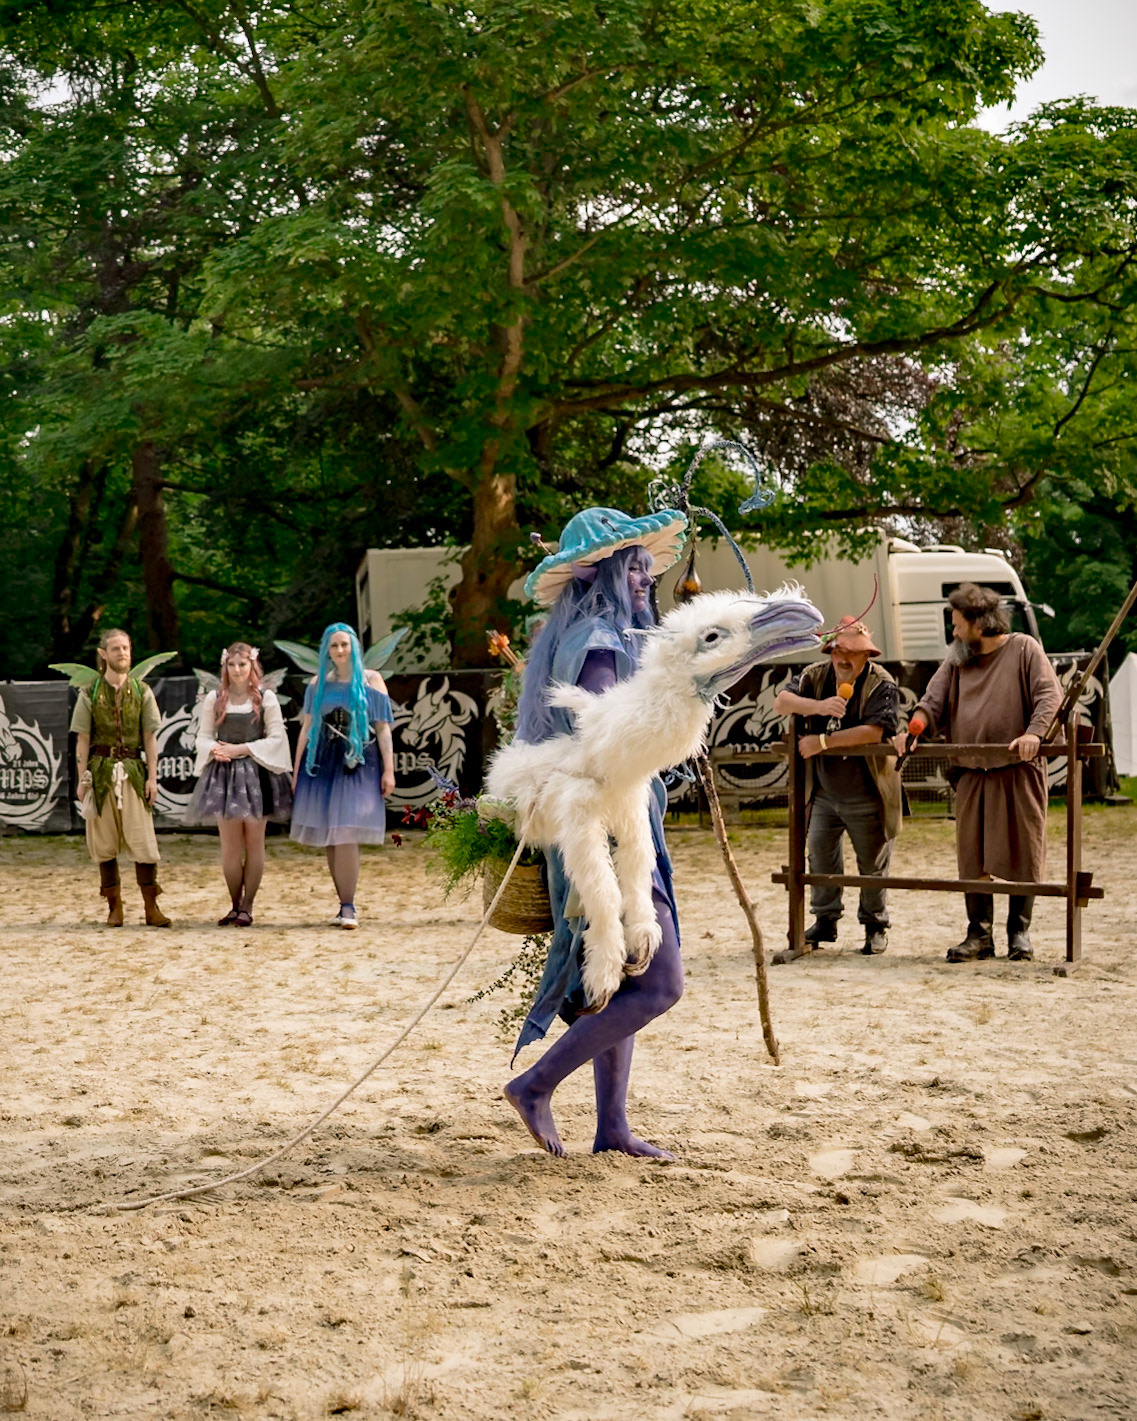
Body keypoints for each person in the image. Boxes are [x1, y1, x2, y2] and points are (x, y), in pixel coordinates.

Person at [503, 505, 689, 1158]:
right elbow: (605, 740)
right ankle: (534, 1084)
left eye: (644, 565)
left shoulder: (577, 631)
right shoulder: (600, 636)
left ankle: (611, 1126)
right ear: (606, 571)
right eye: (632, 565)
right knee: (661, 980)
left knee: (623, 982)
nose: (643, 576)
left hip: (600, 820)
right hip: (609, 831)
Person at [896, 583, 1063, 963]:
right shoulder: (958, 658)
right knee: (973, 858)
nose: (953, 632)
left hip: (1016, 771)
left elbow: (1049, 697)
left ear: (979, 622)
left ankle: (1018, 933)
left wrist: (1034, 733)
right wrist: (915, 728)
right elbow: (931, 701)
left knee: (1023, 851)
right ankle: (979, 936)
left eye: (957, 624)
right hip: (971, 772)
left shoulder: (1023, 648)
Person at [772, 615, 901, 959]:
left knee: (873, 862)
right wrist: (819, 707)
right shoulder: (815, 675)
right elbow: (781, 702)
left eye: (852, 653)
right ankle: (825, 921)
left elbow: (875, 731)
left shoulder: (882, 684)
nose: (843, 659)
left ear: (866, 656)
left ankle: (875, 926)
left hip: (868, 792)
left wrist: (823, 742)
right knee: (819, 853)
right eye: (837, 652)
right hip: (825, 791)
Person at [290, 623, 395, 928]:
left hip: (359, 761)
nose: (339, 650)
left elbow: (383, 729)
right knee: (331, 836)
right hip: (323, 762)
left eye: (344, 645)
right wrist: (297, 771)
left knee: (346, 831)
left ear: (354, 647)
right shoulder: (317, 683)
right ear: (326, 650)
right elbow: (307, 730)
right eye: (334, 646)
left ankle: (349, 906)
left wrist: (389, 769)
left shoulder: (372, 680)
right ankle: (342, 904)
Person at [185, 642, 293, 926]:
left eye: (242, 665)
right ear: (225, 666)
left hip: (258, 776)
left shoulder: (265, 698)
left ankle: (248, 905)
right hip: (224, 776)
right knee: (230, 846)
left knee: (255, 843)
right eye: (231, 665)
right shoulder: (215, 698)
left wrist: (241, 749)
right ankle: (234, 904)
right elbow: (203, 736)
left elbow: (276, 738)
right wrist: (215, 750)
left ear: (252, 665)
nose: (237, 670)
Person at [71, 627, 170, 927]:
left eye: (125, 648)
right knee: (104, 843)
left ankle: (151, 906)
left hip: (133, 773)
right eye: (115, 648)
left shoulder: (142, 691)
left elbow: (150, 737)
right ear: (103, 654)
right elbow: (83, 740)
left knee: (143, 841)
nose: (122, 653)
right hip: (100, 773)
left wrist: (152, 778)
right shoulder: (89, 693)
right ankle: (114, 907)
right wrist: (82, 779)